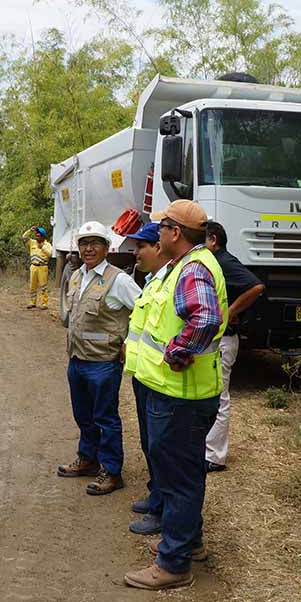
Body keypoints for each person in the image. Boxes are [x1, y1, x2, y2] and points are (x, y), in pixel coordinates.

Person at [124, 200, 228, 590]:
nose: (158, 233)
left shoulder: (194, 269)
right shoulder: (184, 267)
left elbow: (206, 318)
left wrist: (178, 351)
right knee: (184, 473)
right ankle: (190, 544)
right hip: (177, 393)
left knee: (179, 478)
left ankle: (174, 565)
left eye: (162, 227)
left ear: (175, 233)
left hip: (180, 396)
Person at [57, 221, 141, 495]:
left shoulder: (119, 280)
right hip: (77, 360)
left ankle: (112, 471)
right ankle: (88, 459)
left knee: (106, 417)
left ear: (108, 247)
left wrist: (130, 343)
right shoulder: (77, 275)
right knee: (83, 415)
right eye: (83, 243)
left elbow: (143, 311)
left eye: (95, 243)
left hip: (103, 363)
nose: (88, 248)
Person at [203, 222, 264, 472]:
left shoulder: (223, 262)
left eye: (201, 238)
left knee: (220, 396)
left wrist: (229, 312)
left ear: (213, 240)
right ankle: (207, 450)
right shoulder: (210, 262)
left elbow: (256, 286)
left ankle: (215, 456)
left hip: (225, 340)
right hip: (216, 339)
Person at [122, 222, 170, 536]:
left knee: (161, 447)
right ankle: (156, 495)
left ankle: (161, 510)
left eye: (142, 246)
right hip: (144, 376)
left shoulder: (169, 282)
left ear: (159, 248)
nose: (136, 252)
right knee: (148, 442)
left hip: (161, 380)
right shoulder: (152, 282)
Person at [22, 225, 53, 309]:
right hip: (33, 266)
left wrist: (42, 247)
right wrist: (30, 230)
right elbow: (24, 237)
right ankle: (32, 302)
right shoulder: (32, 242)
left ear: (43, 236)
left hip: (42, 267)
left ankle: (44, 303)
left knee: (43, 286)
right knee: (32, 286)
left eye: (38, 236)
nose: (36, 237)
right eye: (36, 235)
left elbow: (50, 254)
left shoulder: (47, 244)